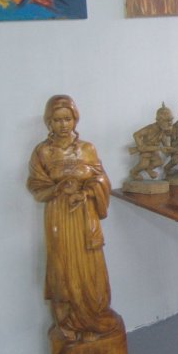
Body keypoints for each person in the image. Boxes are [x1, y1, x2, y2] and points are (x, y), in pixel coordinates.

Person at [26, 95, 120, 341]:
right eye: (57, 120)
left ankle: (91, 320)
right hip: (59, 217)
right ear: (49, 122)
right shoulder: (43, 152)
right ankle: (68, 322)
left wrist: (85, 192)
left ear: (75, 119)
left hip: (85, 216)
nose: (63, 125)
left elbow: (102, 180)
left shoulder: (87, 149)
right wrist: (58, 189)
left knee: (90, 269)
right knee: (63, 268)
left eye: (67, 119)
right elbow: (36, 186)